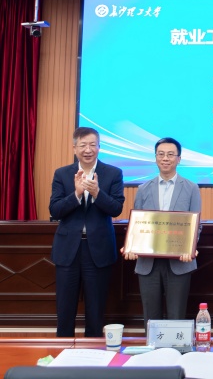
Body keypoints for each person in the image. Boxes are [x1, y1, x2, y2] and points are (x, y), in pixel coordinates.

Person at [49, 127, 125, 337]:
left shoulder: (113, 173)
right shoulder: (62, 174)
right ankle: (63, 349)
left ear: (99, 147)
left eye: (92, 145)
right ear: (74, 148)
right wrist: (76, 193)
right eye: (83, 145)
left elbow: (116, 209)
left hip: (98, 250)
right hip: (68, 250)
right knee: (65, 308)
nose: (88, 150)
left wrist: (97, 192)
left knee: (95, 308)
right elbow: (55, 210)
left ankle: (93, 352)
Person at [122, 138, 201, 330]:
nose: (165, 158)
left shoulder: (191, 188)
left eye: (170, 154)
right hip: (149, 263)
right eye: (161, 154)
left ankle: (176, 349)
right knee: (151, 317)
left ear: (179, 159)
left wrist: (190, 247)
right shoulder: (143, 189)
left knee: (176, 316)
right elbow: (137, 223)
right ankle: (152, 350)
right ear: (156, 157)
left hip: (179, 262)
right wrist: (131, 245)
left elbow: (195, 225)